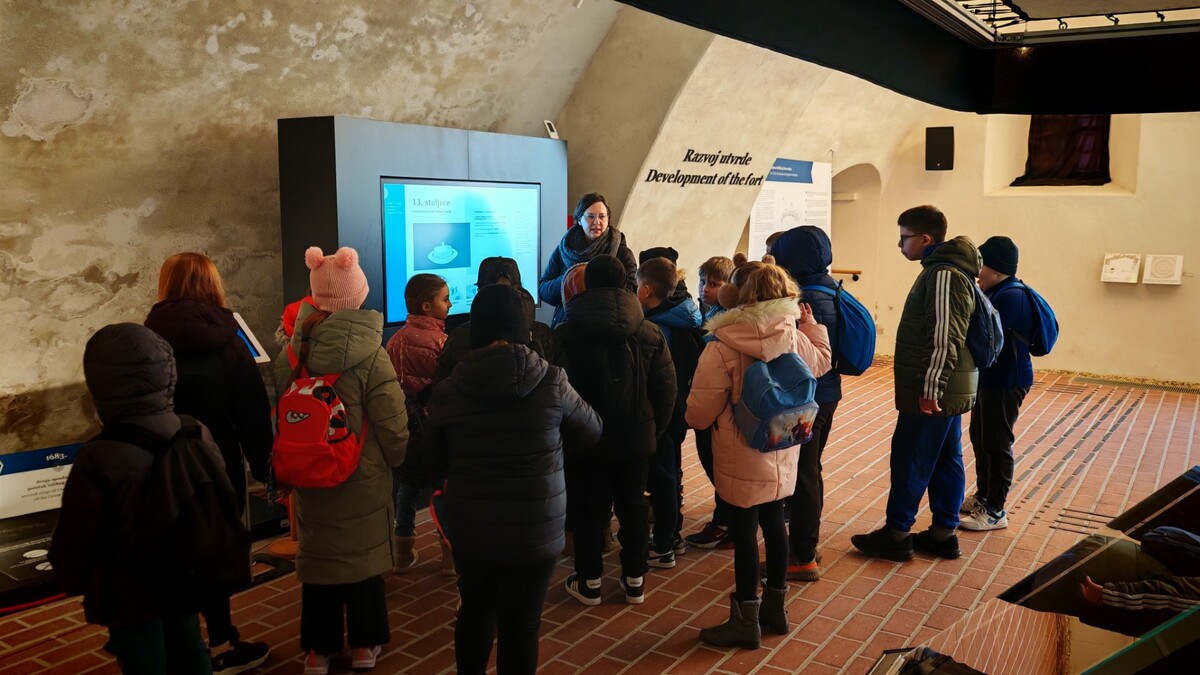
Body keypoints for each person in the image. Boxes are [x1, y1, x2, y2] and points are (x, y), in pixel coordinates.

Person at [426, 284, 603, 675]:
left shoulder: (450, 389)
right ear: (525, 329)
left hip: (472, 527)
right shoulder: (552, 380)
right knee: (522, 624)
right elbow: (592, 430)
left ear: (476, 330)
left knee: (475, 611)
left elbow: (432, 462)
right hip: (536, 527)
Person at [49, 323, 227, 675]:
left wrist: (70, 574)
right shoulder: (194, 430)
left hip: (129, 589)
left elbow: (79, 532)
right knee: (190, 647)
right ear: (167, 371)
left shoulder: (98, 456)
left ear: (101, 383)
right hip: (184, 568)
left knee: (144, 660)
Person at [275, 246, 410, 675]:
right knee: (363, 561)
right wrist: (396, 458)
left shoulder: (290, 354)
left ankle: (318, 650)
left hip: (309, 471)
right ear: (358, 295)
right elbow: (391, 420)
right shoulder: (371, 354)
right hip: (361, 473)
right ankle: (366, 646)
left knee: (320, 560)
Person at [686, 264, 831, 648]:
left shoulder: (722, 344)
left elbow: (699, 412)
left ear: (738, 296)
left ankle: (745, 619)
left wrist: (694, 419)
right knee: (775, 525)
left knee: (745, 531)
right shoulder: (792, 335)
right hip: (781, 447)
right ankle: (775, 610)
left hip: (740, 453)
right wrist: (812, 326)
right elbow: (821, 362)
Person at [143, 252, 272, 674]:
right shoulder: (228, 340)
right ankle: (221, 643)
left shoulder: (146, 338)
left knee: (173, 553)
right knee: (214, 551)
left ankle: (179, 648)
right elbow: (252, 411)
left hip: (160, 462)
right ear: (211, 285)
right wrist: (265, 468)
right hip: (216, 461)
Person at [851, 205, 980, 562]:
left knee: (911, 457)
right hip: (948, 386)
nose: (899, 244)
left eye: (904, 237)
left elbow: (944, 336)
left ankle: (896, 534)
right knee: (946, 458)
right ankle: (943, 534)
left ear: (925, 239)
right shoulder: (946, 269)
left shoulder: (943, 274)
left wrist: (930, 388)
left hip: (936, 389)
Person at [555, 254, 676, 606]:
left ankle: (589, 581)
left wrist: (568, 436)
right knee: (633, 507)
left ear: (587, 284)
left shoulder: (566, 333)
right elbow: (667, 391)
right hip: (635, 439)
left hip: (585, 441)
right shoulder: (649, 331)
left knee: (588, 510)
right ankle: (635, 581)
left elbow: (558, 394)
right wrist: (652, 431)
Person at [769, 226, 844, 581]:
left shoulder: (806, 299)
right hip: (827, 394)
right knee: (810, 470)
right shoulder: (830, 287)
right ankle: (807, 545)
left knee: (803, 475)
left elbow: (800, 355)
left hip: (808, 397)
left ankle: (801, 555)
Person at [636, 252, 703, 566]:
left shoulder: (653, 327)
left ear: (647, 290)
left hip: (660, 410)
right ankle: (672, 535)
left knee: (662, 477)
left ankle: (663, 544)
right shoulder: (686, 315)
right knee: (671, 472)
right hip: (679, 406)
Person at [962, 236, 1033, 531]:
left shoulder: (1010, 297)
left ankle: (995, 509)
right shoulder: (997, 291)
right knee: (981, 437)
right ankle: (984, 496)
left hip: (1007, 381)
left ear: (996, 268)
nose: (977, 272)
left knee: (997, 443)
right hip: (991, 379)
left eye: (981, 265)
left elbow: (987, 340)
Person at [384, 273, 452, 574]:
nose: (450, 304)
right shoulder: (442, 343)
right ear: (426, 306)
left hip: (406, 429)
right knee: (443, 491)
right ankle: (449, 556)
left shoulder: (394, 341)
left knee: (407, 489)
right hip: (436, 429)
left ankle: (402, 551)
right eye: (445, 299)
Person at [434, 257, 554, 385]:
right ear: (520, 289)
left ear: (479, 292)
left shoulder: (459, 336)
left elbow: (439, 386)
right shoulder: (544, 333)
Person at [685, 255, 737, 550]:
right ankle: (728, 517)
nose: (705, 288)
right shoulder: (711, 312)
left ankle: (726, 520)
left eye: (714, 284)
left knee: (717, 462)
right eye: (702, 281)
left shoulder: (726, 322)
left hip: (719, 404)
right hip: (713, 399)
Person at [538, 193, 637, 327]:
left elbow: (632, 293)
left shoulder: (622, 253)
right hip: (568, 327)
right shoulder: (565, 249)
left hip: (607, 326)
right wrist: (571, 279)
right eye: (590, 216)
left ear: (608, 219)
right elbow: (544, 289)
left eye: (602, 216)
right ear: (579, 220)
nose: (597, 222)